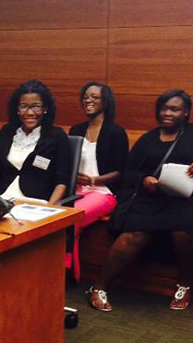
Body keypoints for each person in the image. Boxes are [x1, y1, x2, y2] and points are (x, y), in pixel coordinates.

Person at [88, 89, 193, 311]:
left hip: (182, 201)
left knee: (185, 230)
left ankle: (185, 284)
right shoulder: (148, 139)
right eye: (164, 108)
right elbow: (129, 172)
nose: (168, 113)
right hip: (150, 199)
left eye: (175, 109)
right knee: (134, 234)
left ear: (186, 112)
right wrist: (144, 179)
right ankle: (99, 287)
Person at [66, 82, 129, 282]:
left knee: (70, 220)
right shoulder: (76, 129)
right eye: (85, 96)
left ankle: (65, 269)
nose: (88, 100)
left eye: (94, 97)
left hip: (103, 192)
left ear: (105, 101)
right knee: (59, 217)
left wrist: (94, 179)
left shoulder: (115, 132)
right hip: (76, 190)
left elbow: (121, 172)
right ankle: (69, 273)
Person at [0, 79, 70, 204]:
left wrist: (50, 209)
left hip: (36, 204)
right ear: (17, 109)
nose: (29, 112)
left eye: (36, 106)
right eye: (24, 106)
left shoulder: (57, 136)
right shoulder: (7, 132)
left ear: (45, 108)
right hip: (3, 202)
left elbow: (61, 183)